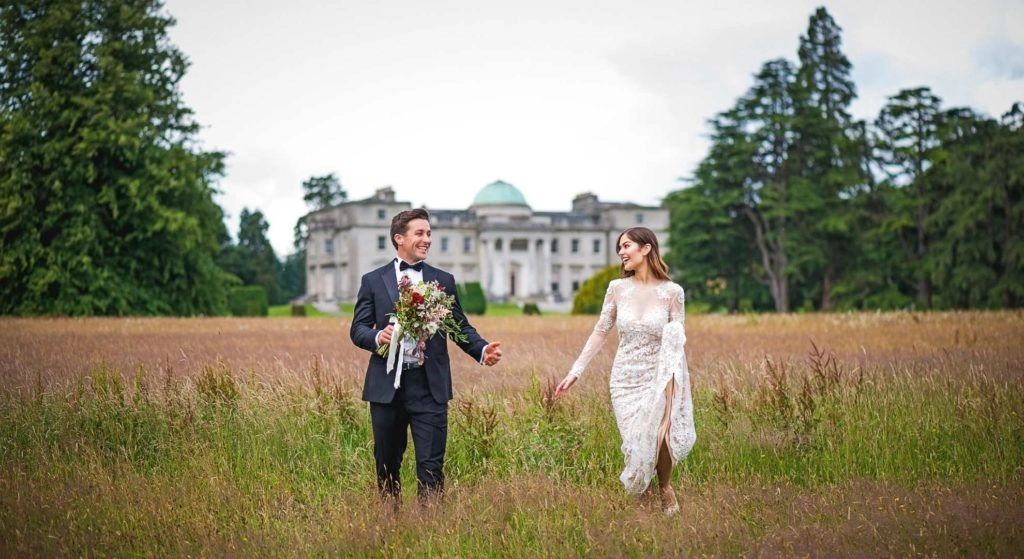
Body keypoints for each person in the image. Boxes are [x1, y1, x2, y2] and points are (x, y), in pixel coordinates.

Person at [351, 208, 503, 508]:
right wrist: (376, 337)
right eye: (420, 233)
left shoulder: (442, 280)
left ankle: (430, 529)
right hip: (386, 388)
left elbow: (458, 325)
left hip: (429, 386)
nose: (427, 239)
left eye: (429, 233)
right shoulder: (372, 280)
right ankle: (389, 523)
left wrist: (482, 350)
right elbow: (357, 329)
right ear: (399, 238)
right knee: (386, 465)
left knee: (431, 467)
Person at [554, 227, 695, 515]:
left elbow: (677, 338)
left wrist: (674, 381)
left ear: (646, 249)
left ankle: (665, 487)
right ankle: (641, 496)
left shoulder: (673, 293)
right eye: (619, 247)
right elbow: (600, 331)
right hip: (625, 379)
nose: (621, 252)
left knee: (661, 438)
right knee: (635, 441)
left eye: (626, 245)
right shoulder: (617, 289)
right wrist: (576, 370)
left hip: (660, 376)